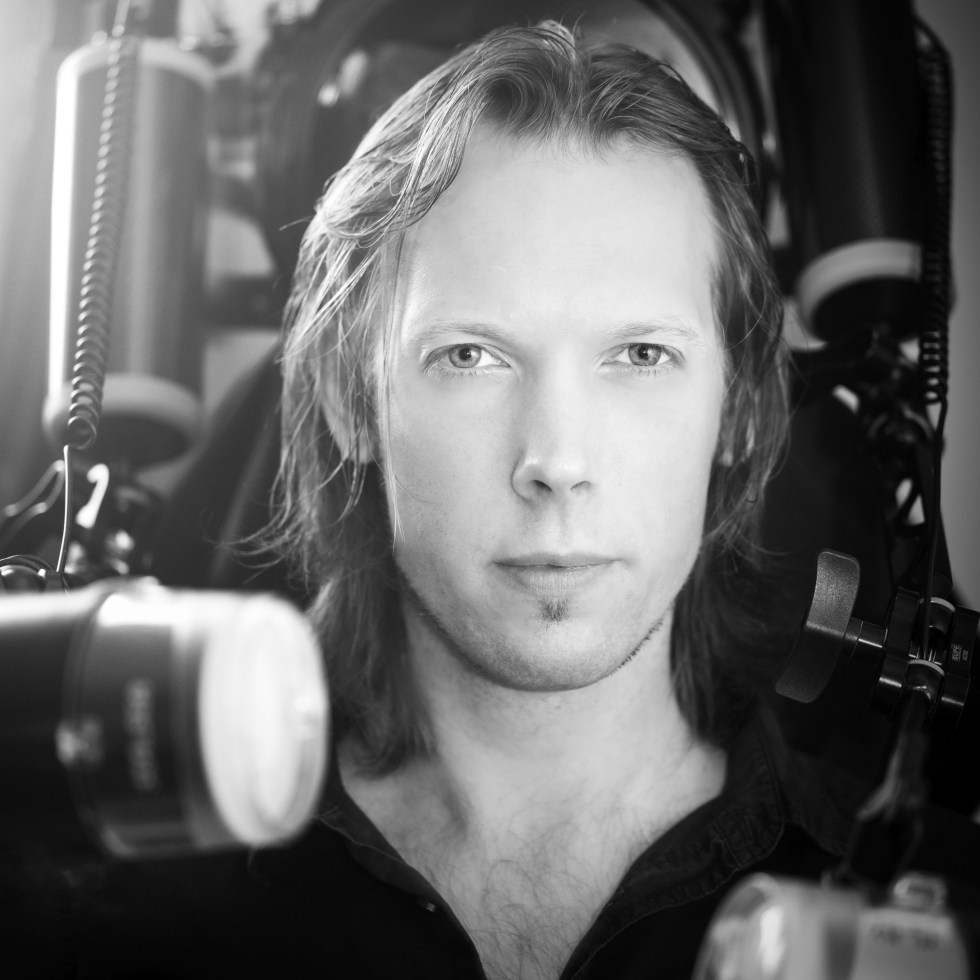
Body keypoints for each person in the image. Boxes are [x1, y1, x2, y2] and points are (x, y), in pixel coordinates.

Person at [12, 19, 978, 980]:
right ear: (353, 400)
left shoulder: (944, 918)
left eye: (641, 354)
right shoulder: (111, 930)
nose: (555, 460)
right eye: (471, 355)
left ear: (736, 407)